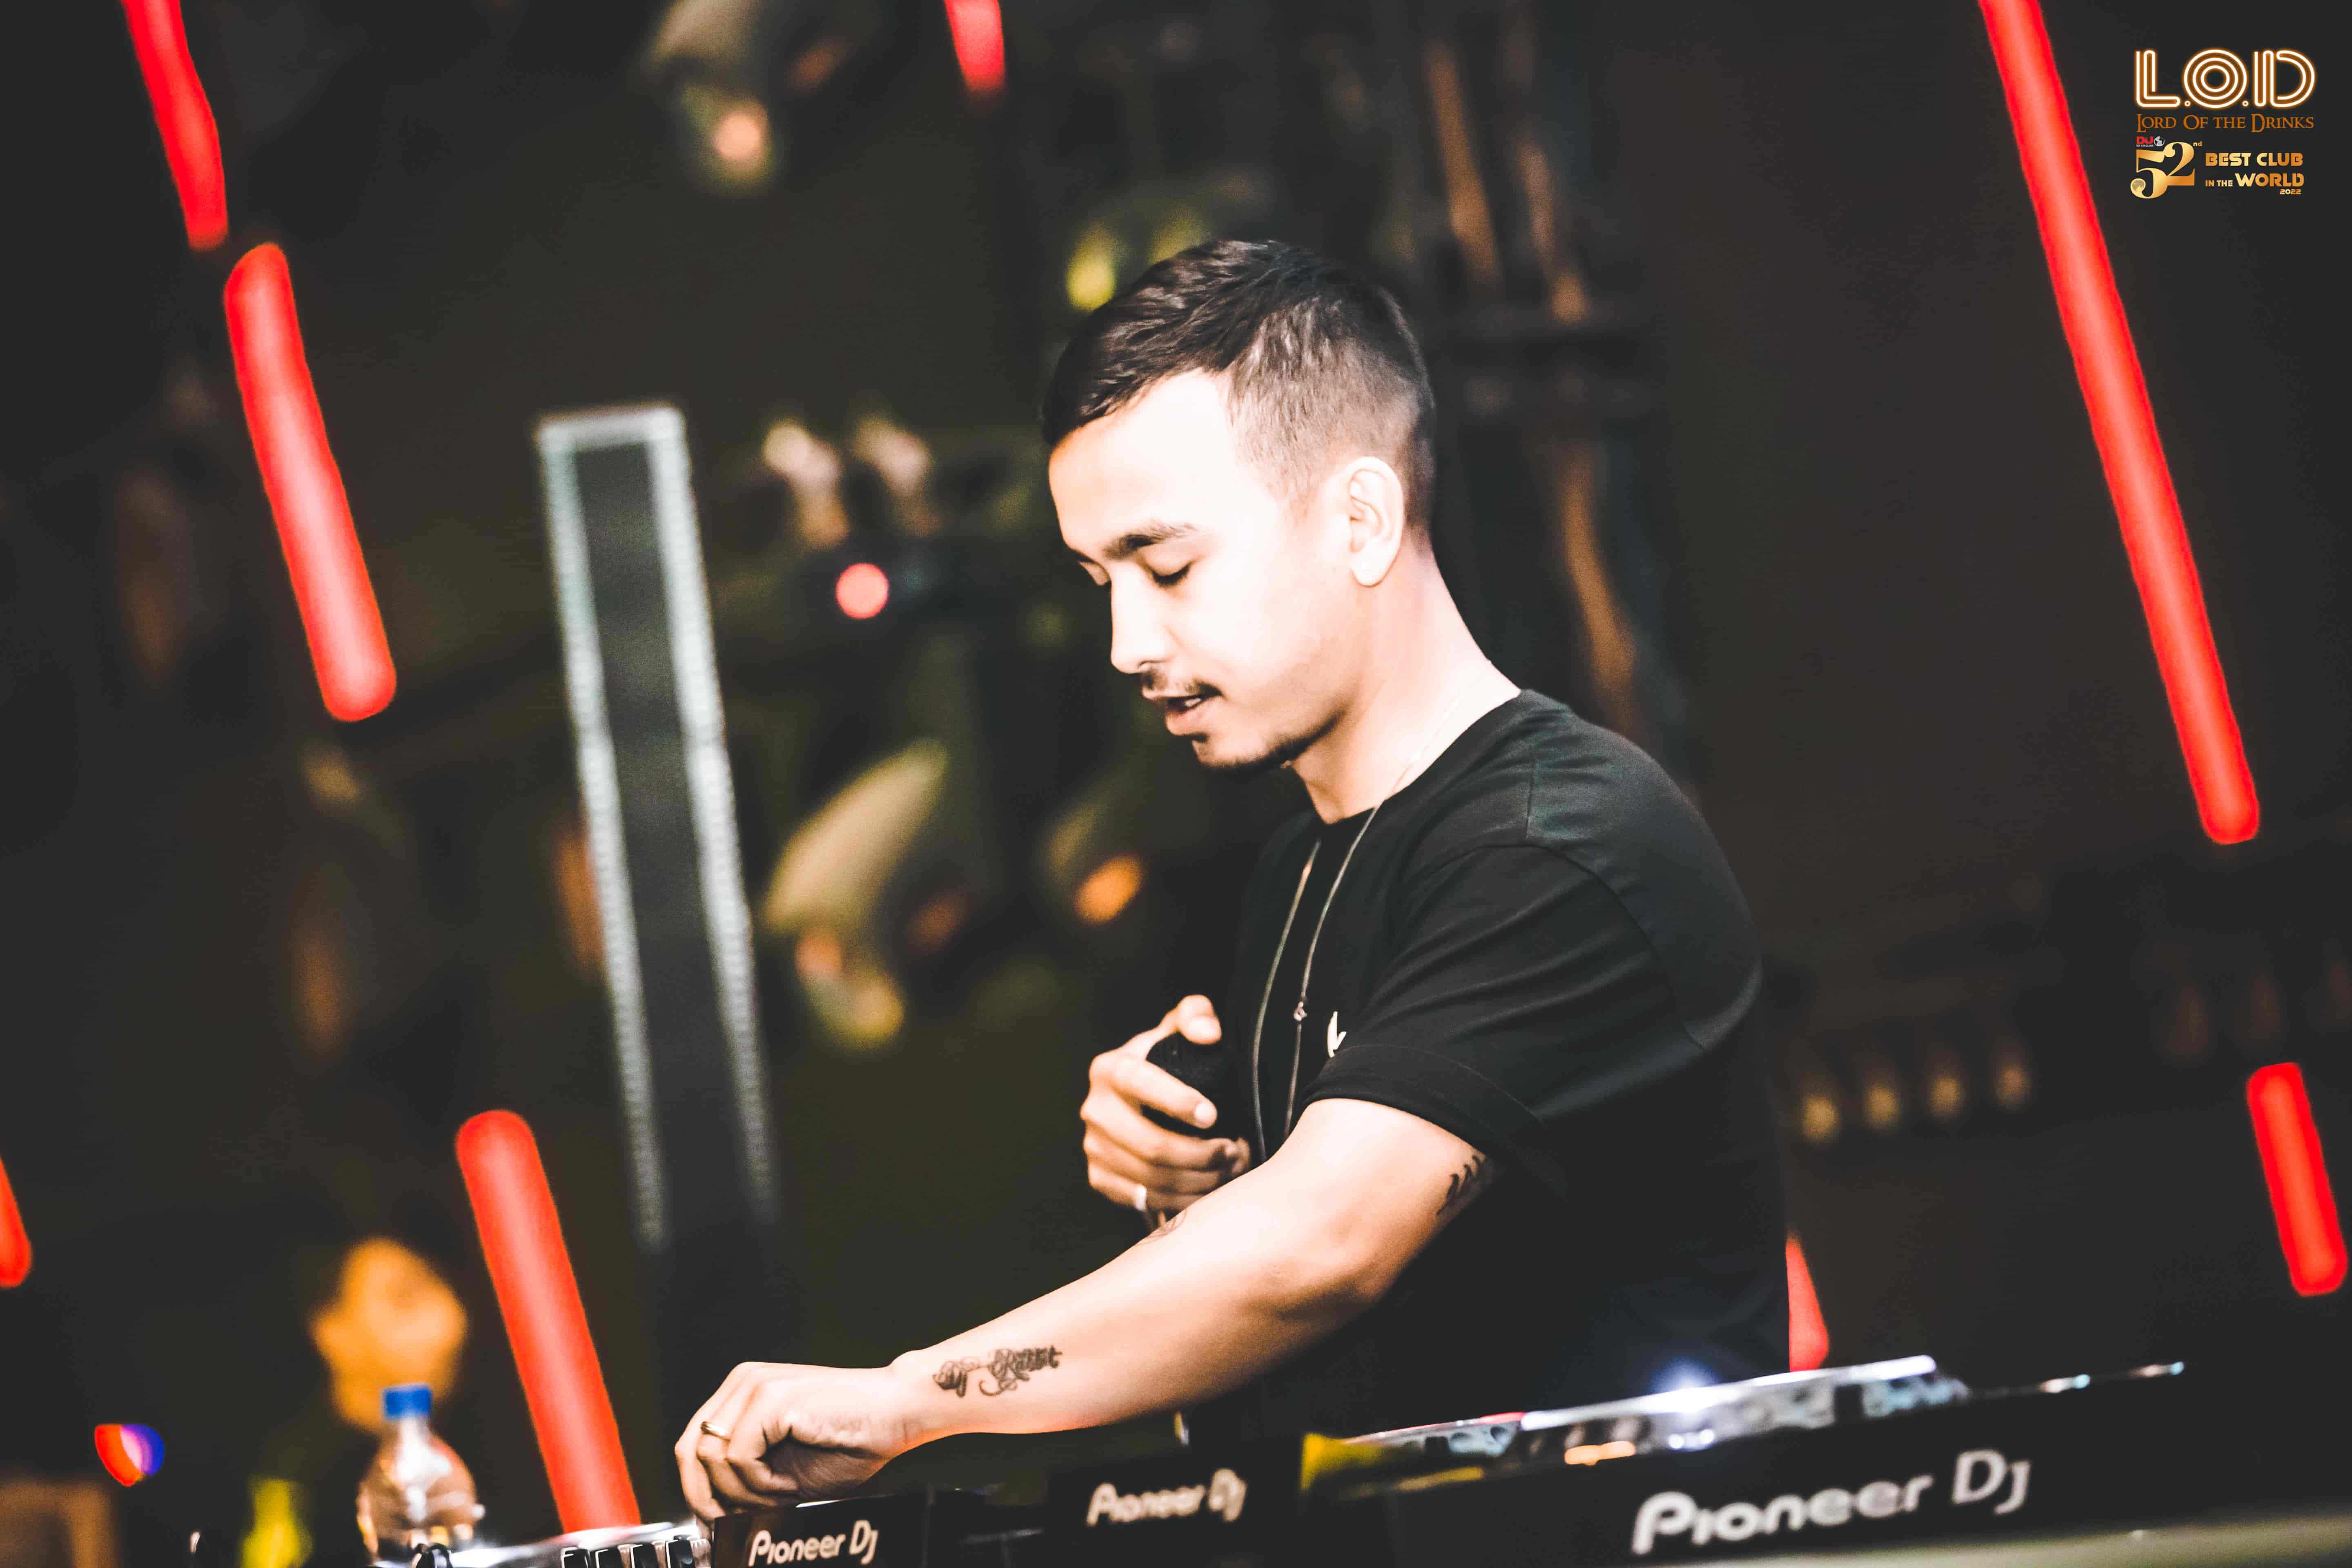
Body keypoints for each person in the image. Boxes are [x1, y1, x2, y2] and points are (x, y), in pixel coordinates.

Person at [675, 239, 1785, 1515]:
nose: (1126, 642)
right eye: (1100, 582)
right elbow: (1298, 1291)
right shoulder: (1298, 869)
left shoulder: (1558, 846)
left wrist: (911, 1399)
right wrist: (1187, 1166)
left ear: (1360, 520)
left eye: (1168, 568)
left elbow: (1320, 1250)